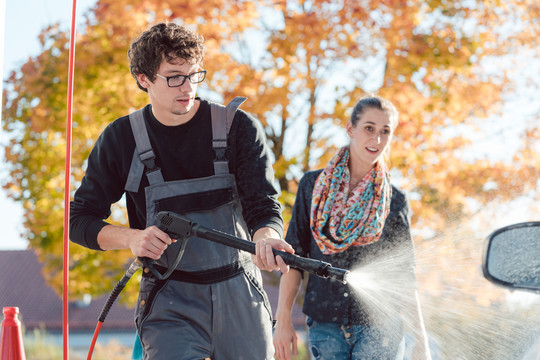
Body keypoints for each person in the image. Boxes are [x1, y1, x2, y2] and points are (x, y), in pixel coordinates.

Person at [69, 22, 293, 360]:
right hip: (169, 300)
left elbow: (264, 206)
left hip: (239, 292)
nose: (187, 87)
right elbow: (79, 220)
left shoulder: (238, 128)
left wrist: (267, 236)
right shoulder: (121, 140)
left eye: (194, 75)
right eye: (174, 76)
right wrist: (132, 238)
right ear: (143, 79)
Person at [272, 95, 432, 360]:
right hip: (324, 323)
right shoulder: (312, 187)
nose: (377, 139)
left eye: (385, 132)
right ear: (351, 129)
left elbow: (404, 273)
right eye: (369, 128)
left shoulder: (394, 200)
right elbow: (294, 258)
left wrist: (421, 339)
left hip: (380, 327)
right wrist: (283, 319)